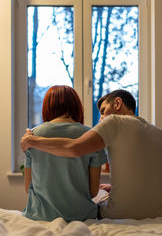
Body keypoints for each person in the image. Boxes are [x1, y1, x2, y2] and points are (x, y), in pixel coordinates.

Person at [21, 89, 162, 220]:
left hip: (121, 214)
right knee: (101, 191)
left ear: (117, 103)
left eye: (103, 111)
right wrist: (114, 187)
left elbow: (74, 148)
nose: (101, 118)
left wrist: (32, 140)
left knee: (98, 200)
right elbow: (149, 173)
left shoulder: (114, 122)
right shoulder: (159, 133)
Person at [23, 85, 107, 222]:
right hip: (81, 217)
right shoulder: (91, 137)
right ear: (76, 106)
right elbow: (93, 191)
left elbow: (28, 188)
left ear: (47, 107)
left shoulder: (31, 137)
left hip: (40, 216)